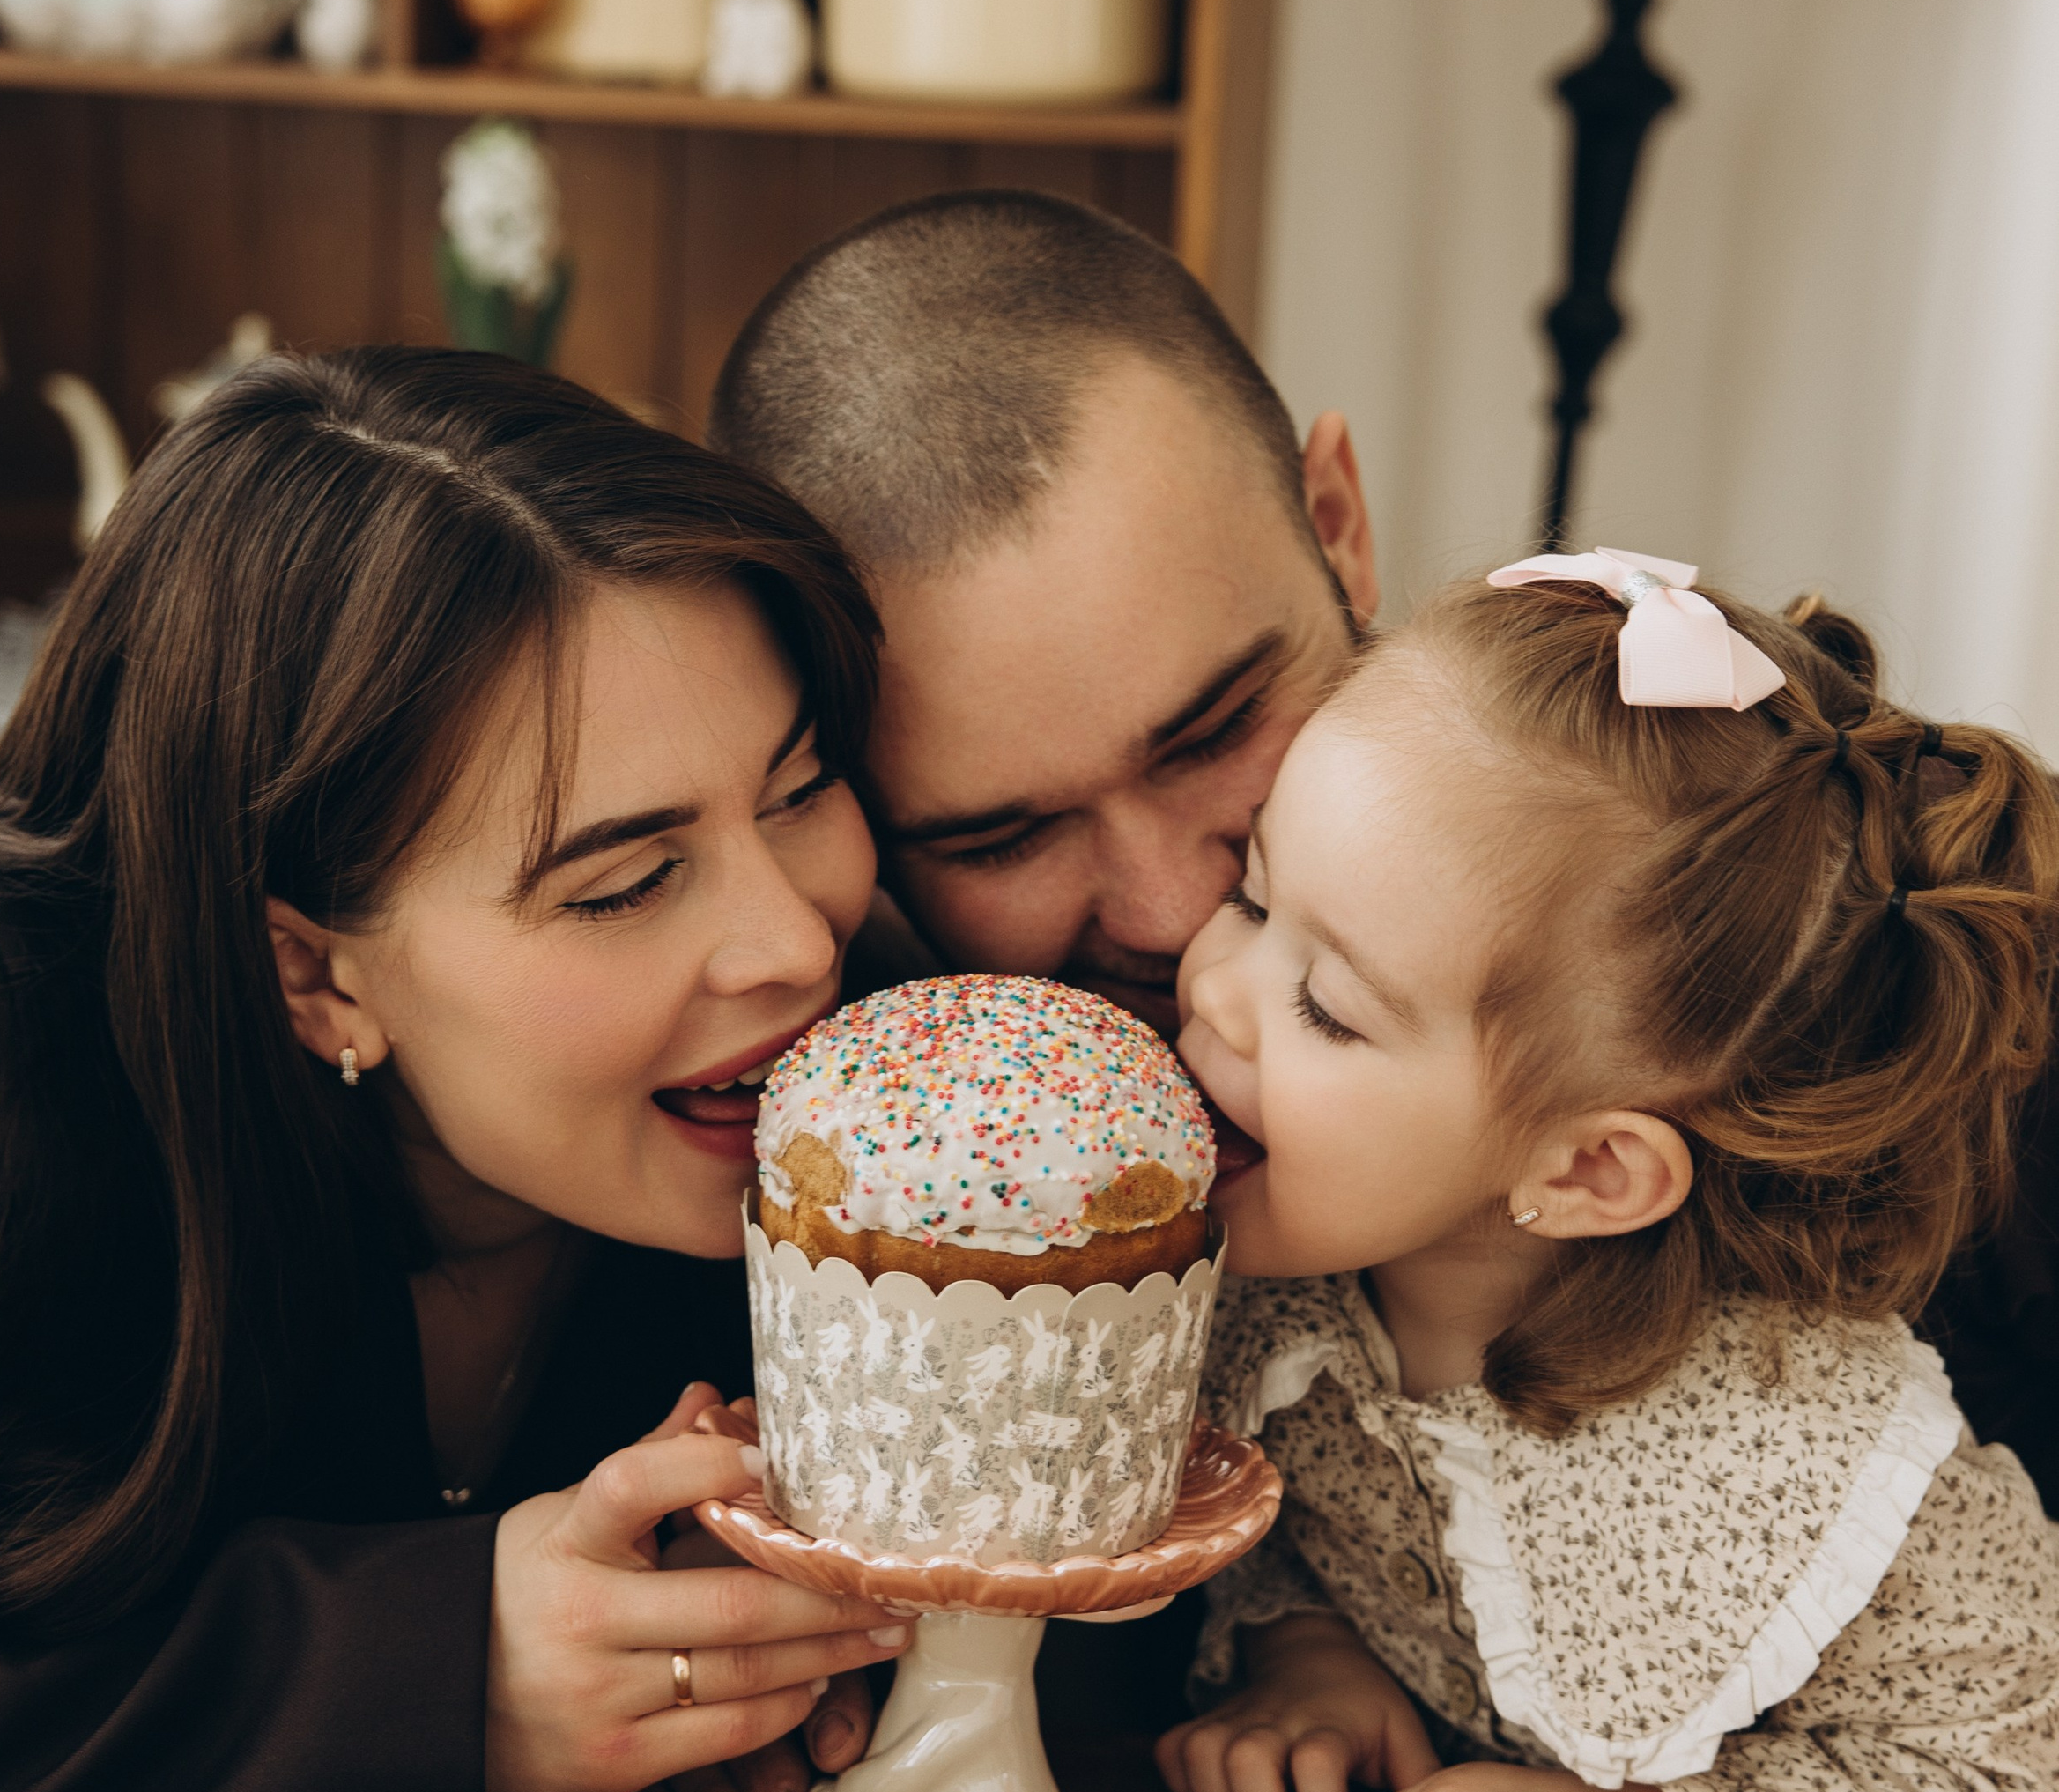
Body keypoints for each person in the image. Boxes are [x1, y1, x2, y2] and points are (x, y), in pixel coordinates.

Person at [707, 189, 2059, 1509]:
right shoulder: (838, 1137)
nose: (1182, 918)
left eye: (1220, 728)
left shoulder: (1881, 990)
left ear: (1340, 527)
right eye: (1002, 838)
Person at [0, 351, 918, 1792]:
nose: (795, 943)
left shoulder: (890, 1056)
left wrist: (722, 1688)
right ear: (312, 972)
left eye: (800, 790)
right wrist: (432, 1687)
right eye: (623, 884)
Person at [1159, 555, 2059, 1792]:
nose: (1205, 985)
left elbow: (2016, 1788)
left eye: (1325, 1005)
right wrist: (1305, 1653)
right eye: (1255, 898)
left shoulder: (1812, 1456)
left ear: (1585, 1171)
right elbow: (1284, 1516)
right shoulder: (1277, 1291)